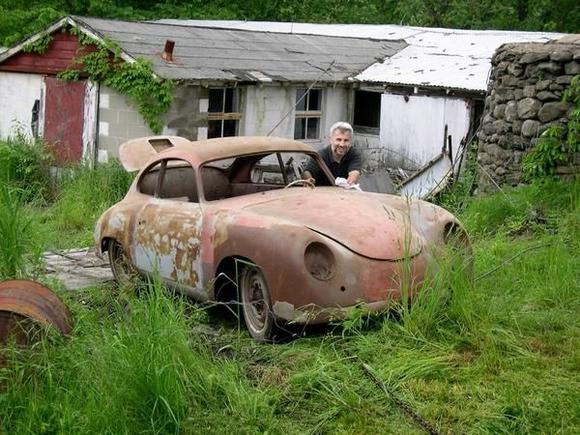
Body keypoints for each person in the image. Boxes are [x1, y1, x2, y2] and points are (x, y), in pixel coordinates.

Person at [302, 121, 361, 186]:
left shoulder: (354, 154)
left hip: (344, 193)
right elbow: (307, 171)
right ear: (331, 140)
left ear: (351, 141)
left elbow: (355, 172)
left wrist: (352, 179)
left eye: (346, 140)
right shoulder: (321, 155)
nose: (342, 144)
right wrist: (309, 179)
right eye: (338, 140)